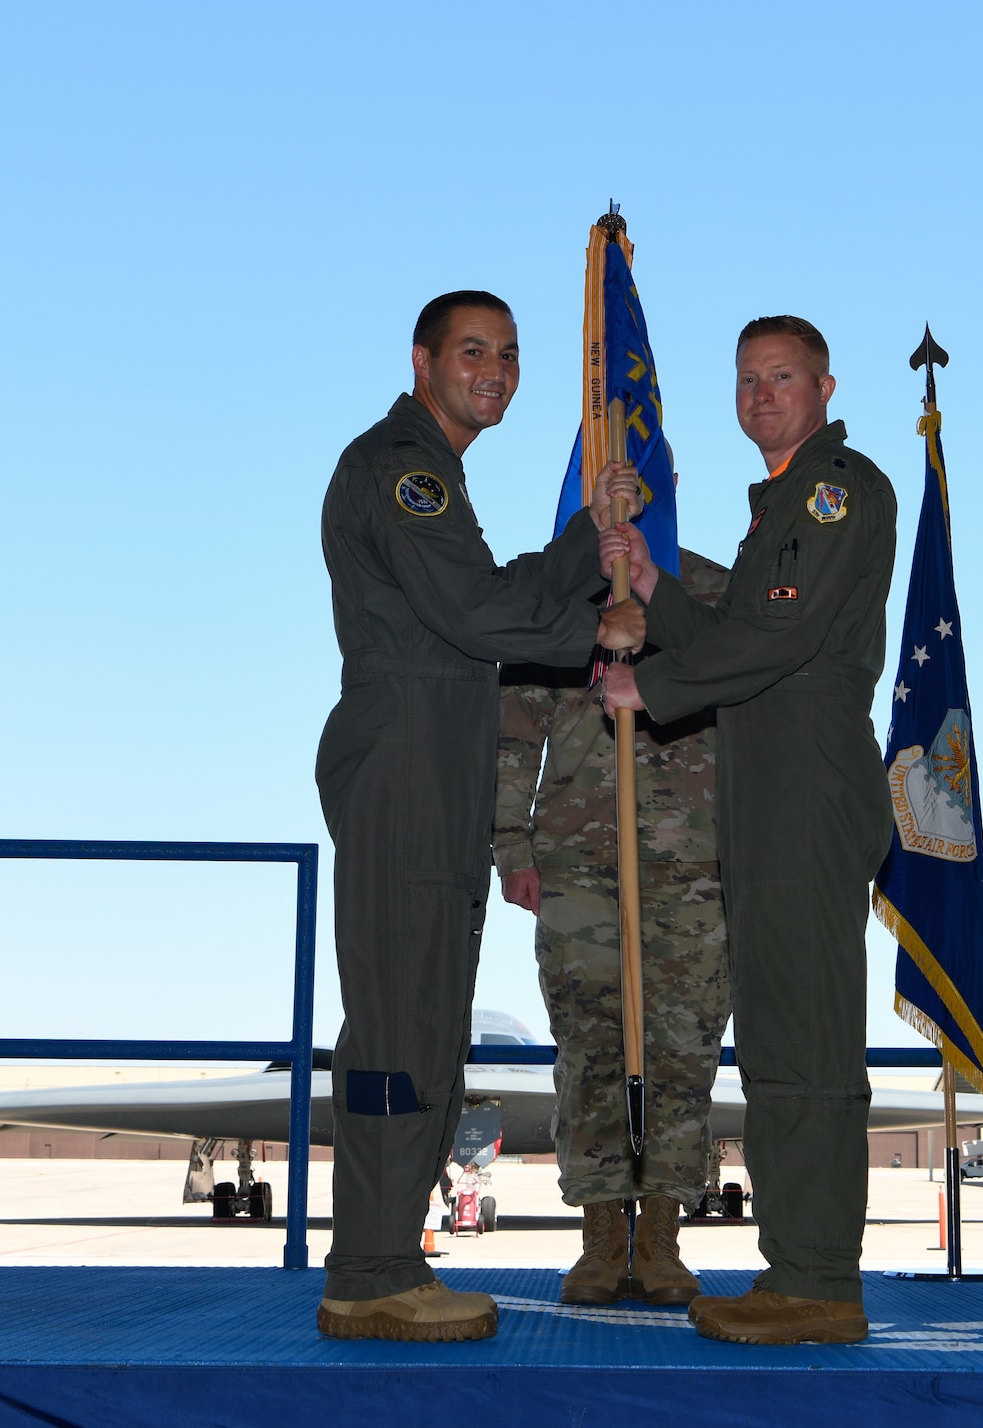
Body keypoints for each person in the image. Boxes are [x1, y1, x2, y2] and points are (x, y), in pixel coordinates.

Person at [314, 290, 644, 1342]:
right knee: (400, 1023)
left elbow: (481, 609)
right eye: (471, 350)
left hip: (432, 762)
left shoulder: (436, 476)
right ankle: (369, 1270)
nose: (493, 369)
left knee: (424, 1020)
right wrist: (598, 591)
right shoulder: (402, 469)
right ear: (422, 359)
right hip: (406, 762)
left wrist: (582, 558)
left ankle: (383, 1258)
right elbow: (478, 615)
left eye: (508, 353)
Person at [604, 316, 896, 1344]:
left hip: (806, 793)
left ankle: (819, 1282)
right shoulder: (776, 508)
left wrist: (650, 683)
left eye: (781, 377)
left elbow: (777, 637)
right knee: (775, 1047)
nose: (760, 394)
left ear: (822, 386)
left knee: (806, 1047)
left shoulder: (836, 489)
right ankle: (796, 1270)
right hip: (768, 794)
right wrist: (649, 588)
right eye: (746, 379)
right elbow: (738, 635)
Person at [494, 548, 733, 1307]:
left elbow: (753, 701)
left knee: (682, 1050)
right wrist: (510, 847)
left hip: (693, 867)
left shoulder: (710, 591)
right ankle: (601, 1239)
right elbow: (511, 738)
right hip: (578, 866)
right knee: (591, 1045)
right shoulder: (558, 599)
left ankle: (660, 1235)